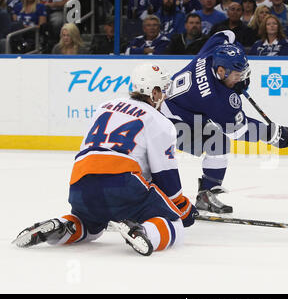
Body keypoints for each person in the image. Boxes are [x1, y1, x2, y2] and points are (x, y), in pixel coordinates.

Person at [13, 63, 197, 256]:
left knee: (91, 226)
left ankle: (62, 226)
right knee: (174, 223)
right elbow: (166, 178)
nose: (165, 97)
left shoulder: (104, 106)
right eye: (163, 91)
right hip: (122, 182)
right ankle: (142, 231)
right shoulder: (160, 121)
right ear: (154, 92)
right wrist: (183, 209)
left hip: (80, 180)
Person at [159, 30, 288, 213]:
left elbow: (227, 34)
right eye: (238, 74)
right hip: (170, 123)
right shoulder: (216, 99)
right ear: (221, 71)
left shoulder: (211, 53)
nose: (242, 78)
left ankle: (206, 195)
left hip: (174, 110)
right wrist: (273, 134)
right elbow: (239, 130)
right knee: (219, 142)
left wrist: (235, 52)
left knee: (219, 142)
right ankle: (159, 195)